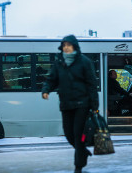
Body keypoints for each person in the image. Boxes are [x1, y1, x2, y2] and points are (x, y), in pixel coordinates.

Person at [42, 35, 98, 173]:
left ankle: (78, 166)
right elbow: (51, 79)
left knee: (78, 134)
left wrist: (94, 106)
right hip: (66, 104)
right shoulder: (59, 62)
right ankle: (83, 151)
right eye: (64, 45)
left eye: (69, 45)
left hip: (82, 104)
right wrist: (46, 90)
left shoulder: (84, 62)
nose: (66, 48)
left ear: (75, 46)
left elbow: (91, 84)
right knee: (68, 134)